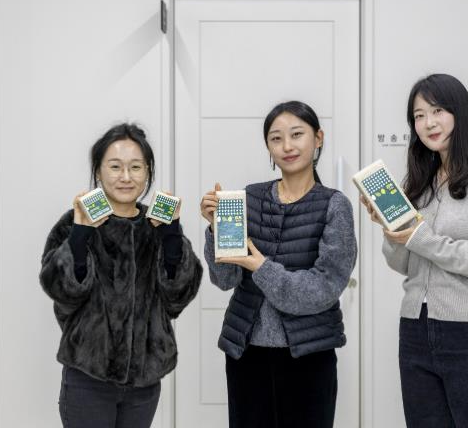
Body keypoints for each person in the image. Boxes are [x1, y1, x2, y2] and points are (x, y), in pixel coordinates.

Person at [362, 74, 468, 427]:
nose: (428, 123)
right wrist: (393, 231)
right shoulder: (419, 182)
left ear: (460, 112)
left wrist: (420, 236)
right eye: (419, 116)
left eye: (437, 110)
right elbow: (404, 263)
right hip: (415, 331)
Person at [200, 101, 357, 428]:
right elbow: (225, 279)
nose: (287, 146)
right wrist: (216, 230)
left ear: (318, 138)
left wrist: (261, 266)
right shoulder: (249, 197)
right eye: (276, 138)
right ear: (268, 147)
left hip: (308, 354)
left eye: (297, 134)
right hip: (245, 352)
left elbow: (324, 289)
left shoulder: (334, 205)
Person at [40, 123, 202, 428]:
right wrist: (80, 233)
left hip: (144, 382)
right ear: (99, 171)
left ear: (147, 172)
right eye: (115, 166)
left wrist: (171, 234)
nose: (126, 177)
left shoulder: (157, 223)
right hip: (88, 379)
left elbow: (177, 298)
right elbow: (61, 291)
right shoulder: (75, 221)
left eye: (135, 167)